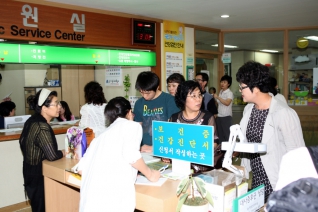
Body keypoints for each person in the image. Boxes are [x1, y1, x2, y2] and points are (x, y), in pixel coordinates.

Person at [236, 61, 305, 201]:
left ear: (255, 88)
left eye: (242, 87)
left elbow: (298, 155)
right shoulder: (249, 109)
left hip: (278, 183)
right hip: (256, 180)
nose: (240, 91)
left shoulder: (283, 113)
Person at [77, 97, 161, 212]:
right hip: (112, 201)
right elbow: (132, 156)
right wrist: (150, 174)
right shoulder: (132, 126)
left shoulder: (100, 137)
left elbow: (81, 169)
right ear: (129, 112)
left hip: (89, 203)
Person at [19, 88, 65, 212]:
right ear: (44, 108)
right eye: (56, 104)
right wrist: (65, 152)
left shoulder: (32, 120)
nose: (59, 107)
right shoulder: (41, 126)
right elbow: (52, 155)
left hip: (29, 171)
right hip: (38, 175)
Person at [166, 80, 221, 171]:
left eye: (199, 95)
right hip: (179, 167)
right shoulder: (174, 118)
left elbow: (214, 144)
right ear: (183, 98)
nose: (198, 99)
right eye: (193, 96)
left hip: (202, 168)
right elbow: (170, 143)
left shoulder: (208, 117)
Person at [134, 71, 180, 152]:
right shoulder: (138, 103)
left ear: (157, 87)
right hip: (145, 150)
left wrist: (155, 147)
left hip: (165, 149)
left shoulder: (170, 101)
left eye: (148, 93)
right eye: (142, 92)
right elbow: (137, 129)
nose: (145, 96)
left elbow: (174, 130)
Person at [214, 75, 233, 143]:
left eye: (224, 82)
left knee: (227, 135)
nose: (222, 84)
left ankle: (230, 152)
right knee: (220, 135)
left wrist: (218, 97)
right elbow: (219, 103)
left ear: (228, 84)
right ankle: (221, 152)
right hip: (219, 116)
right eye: (221, 82)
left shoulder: (229, 93)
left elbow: (227, 103)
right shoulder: (221, 91)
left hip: (226, 117)